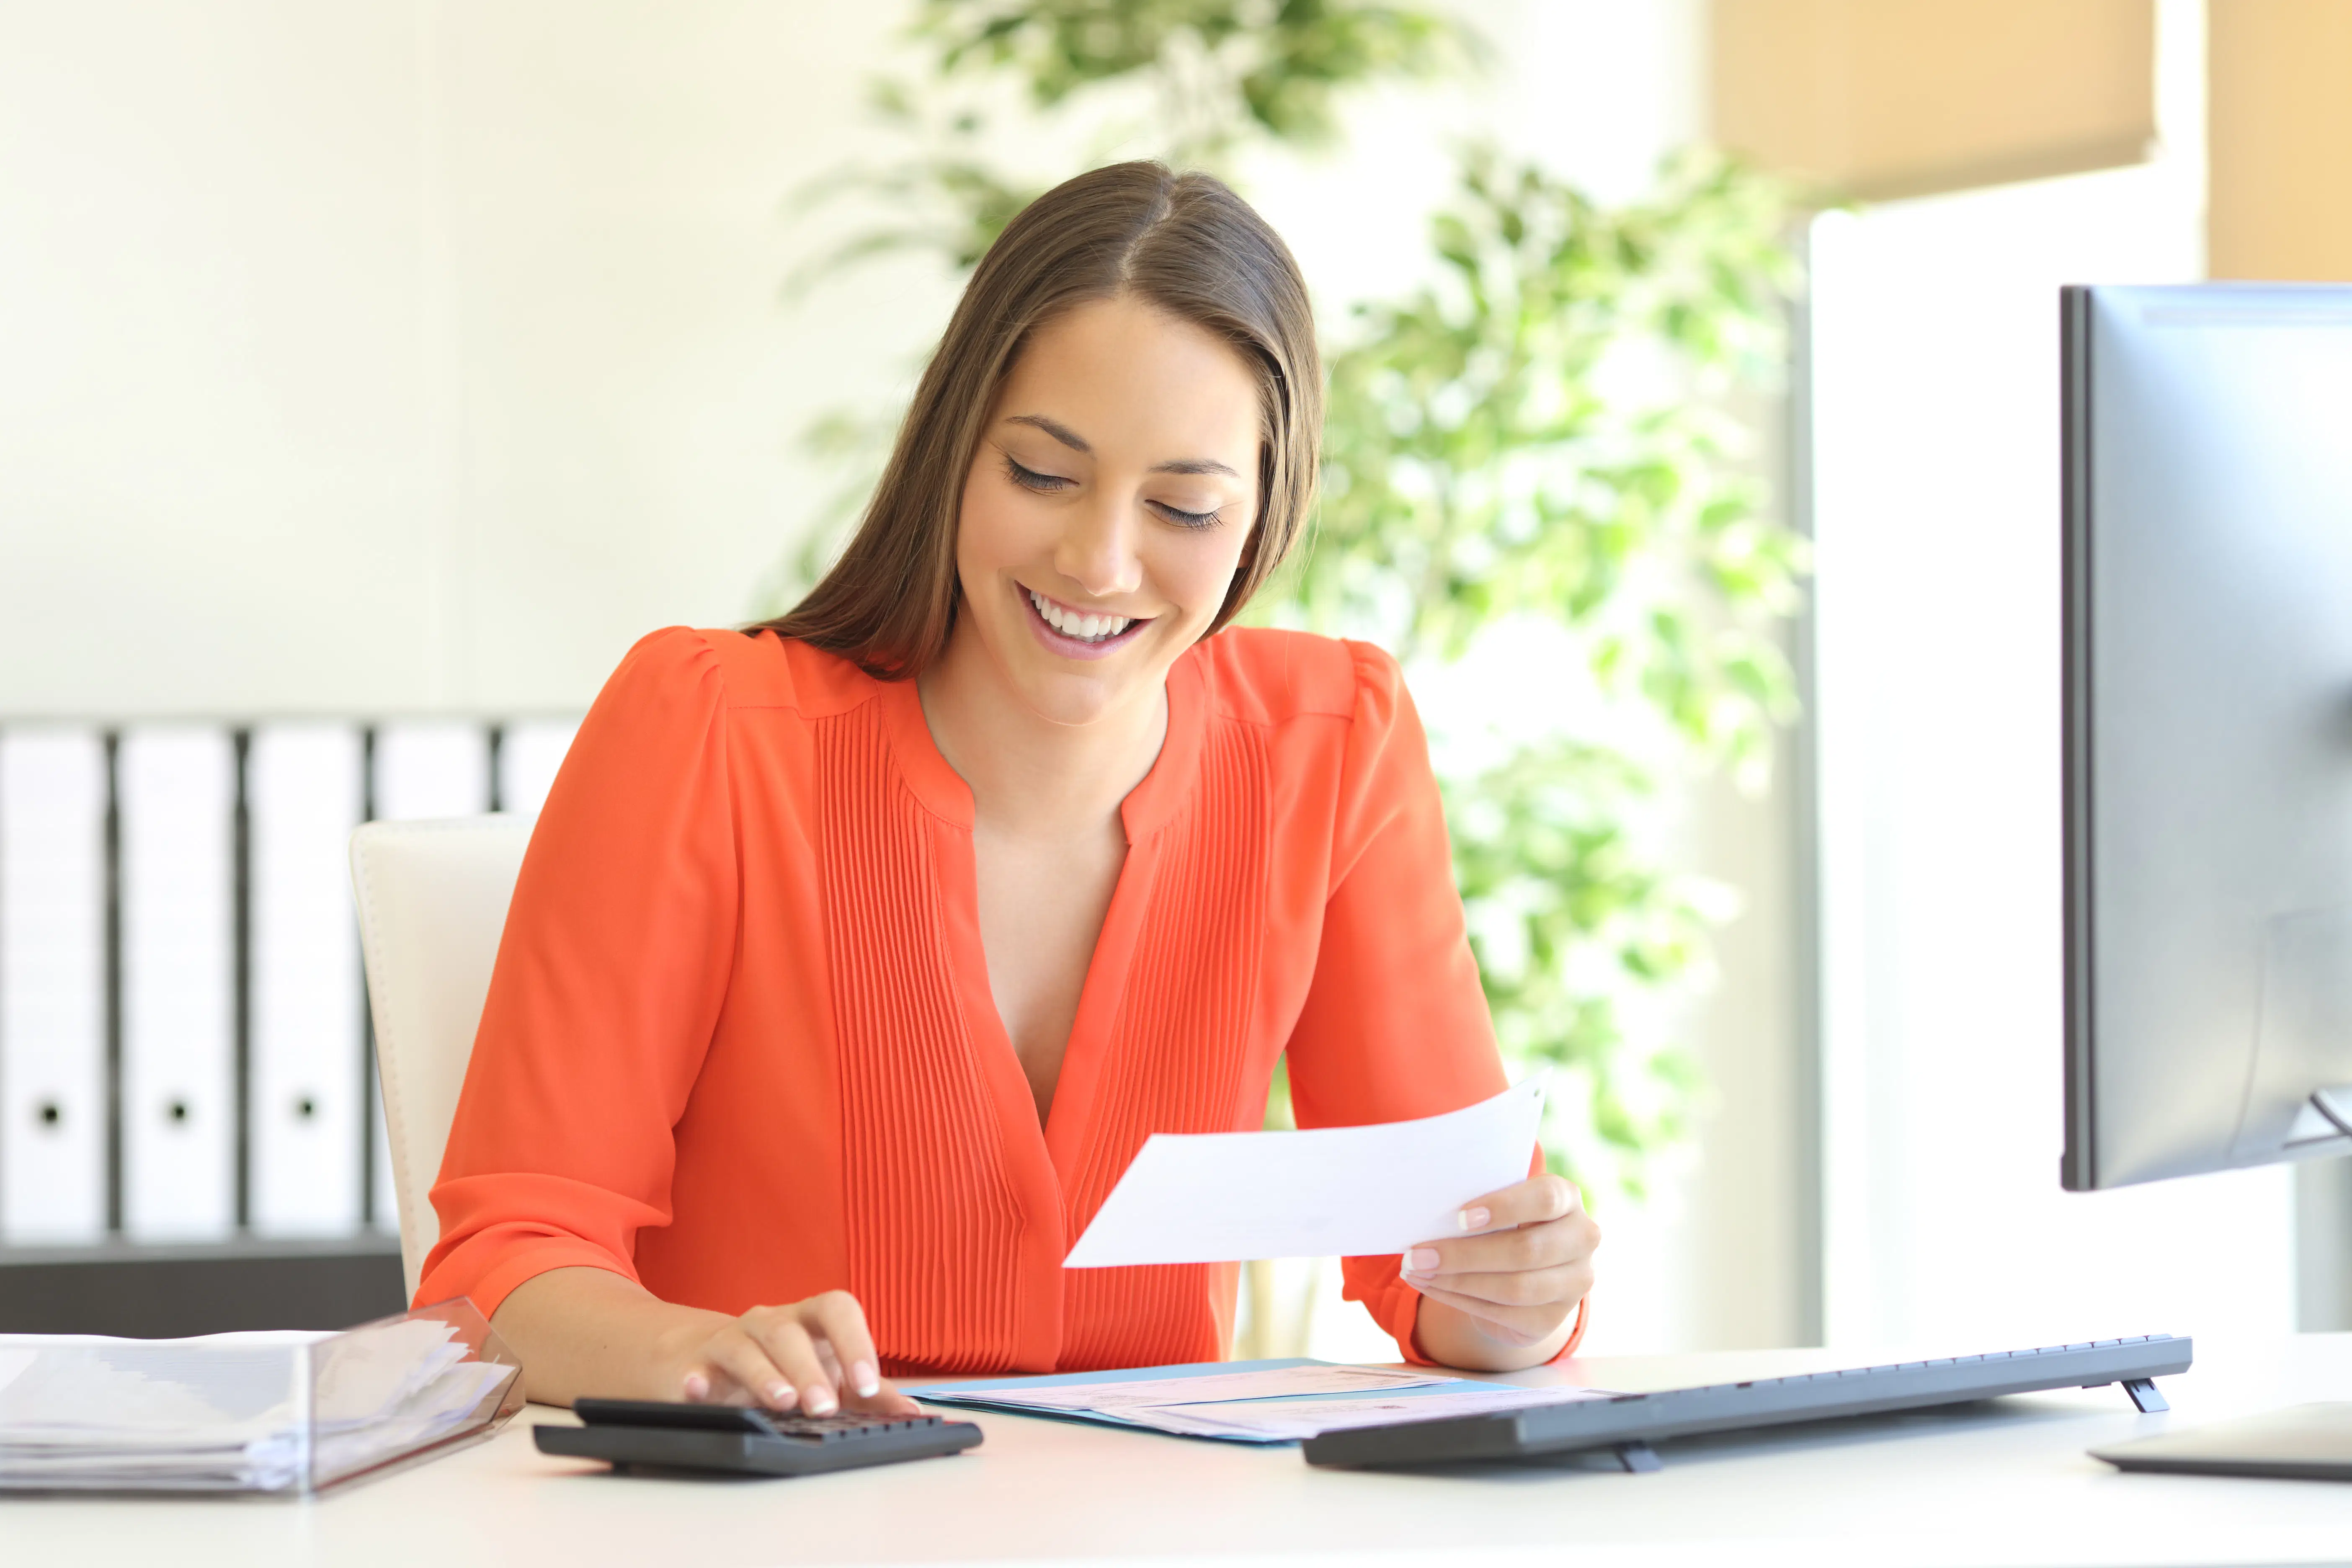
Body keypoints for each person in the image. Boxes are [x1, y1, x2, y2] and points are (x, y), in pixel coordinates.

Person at [420, 162, 1601, 1416]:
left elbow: (1444, 1268)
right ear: (954, 452)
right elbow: (505, 1271)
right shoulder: (710, 729)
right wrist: (705, 1360)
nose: (1099, 560)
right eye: (1043, 475)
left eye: (1185, 505)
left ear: (1263, 513)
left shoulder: (1334, 741)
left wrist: (1514, 1300)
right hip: (774, 1524)